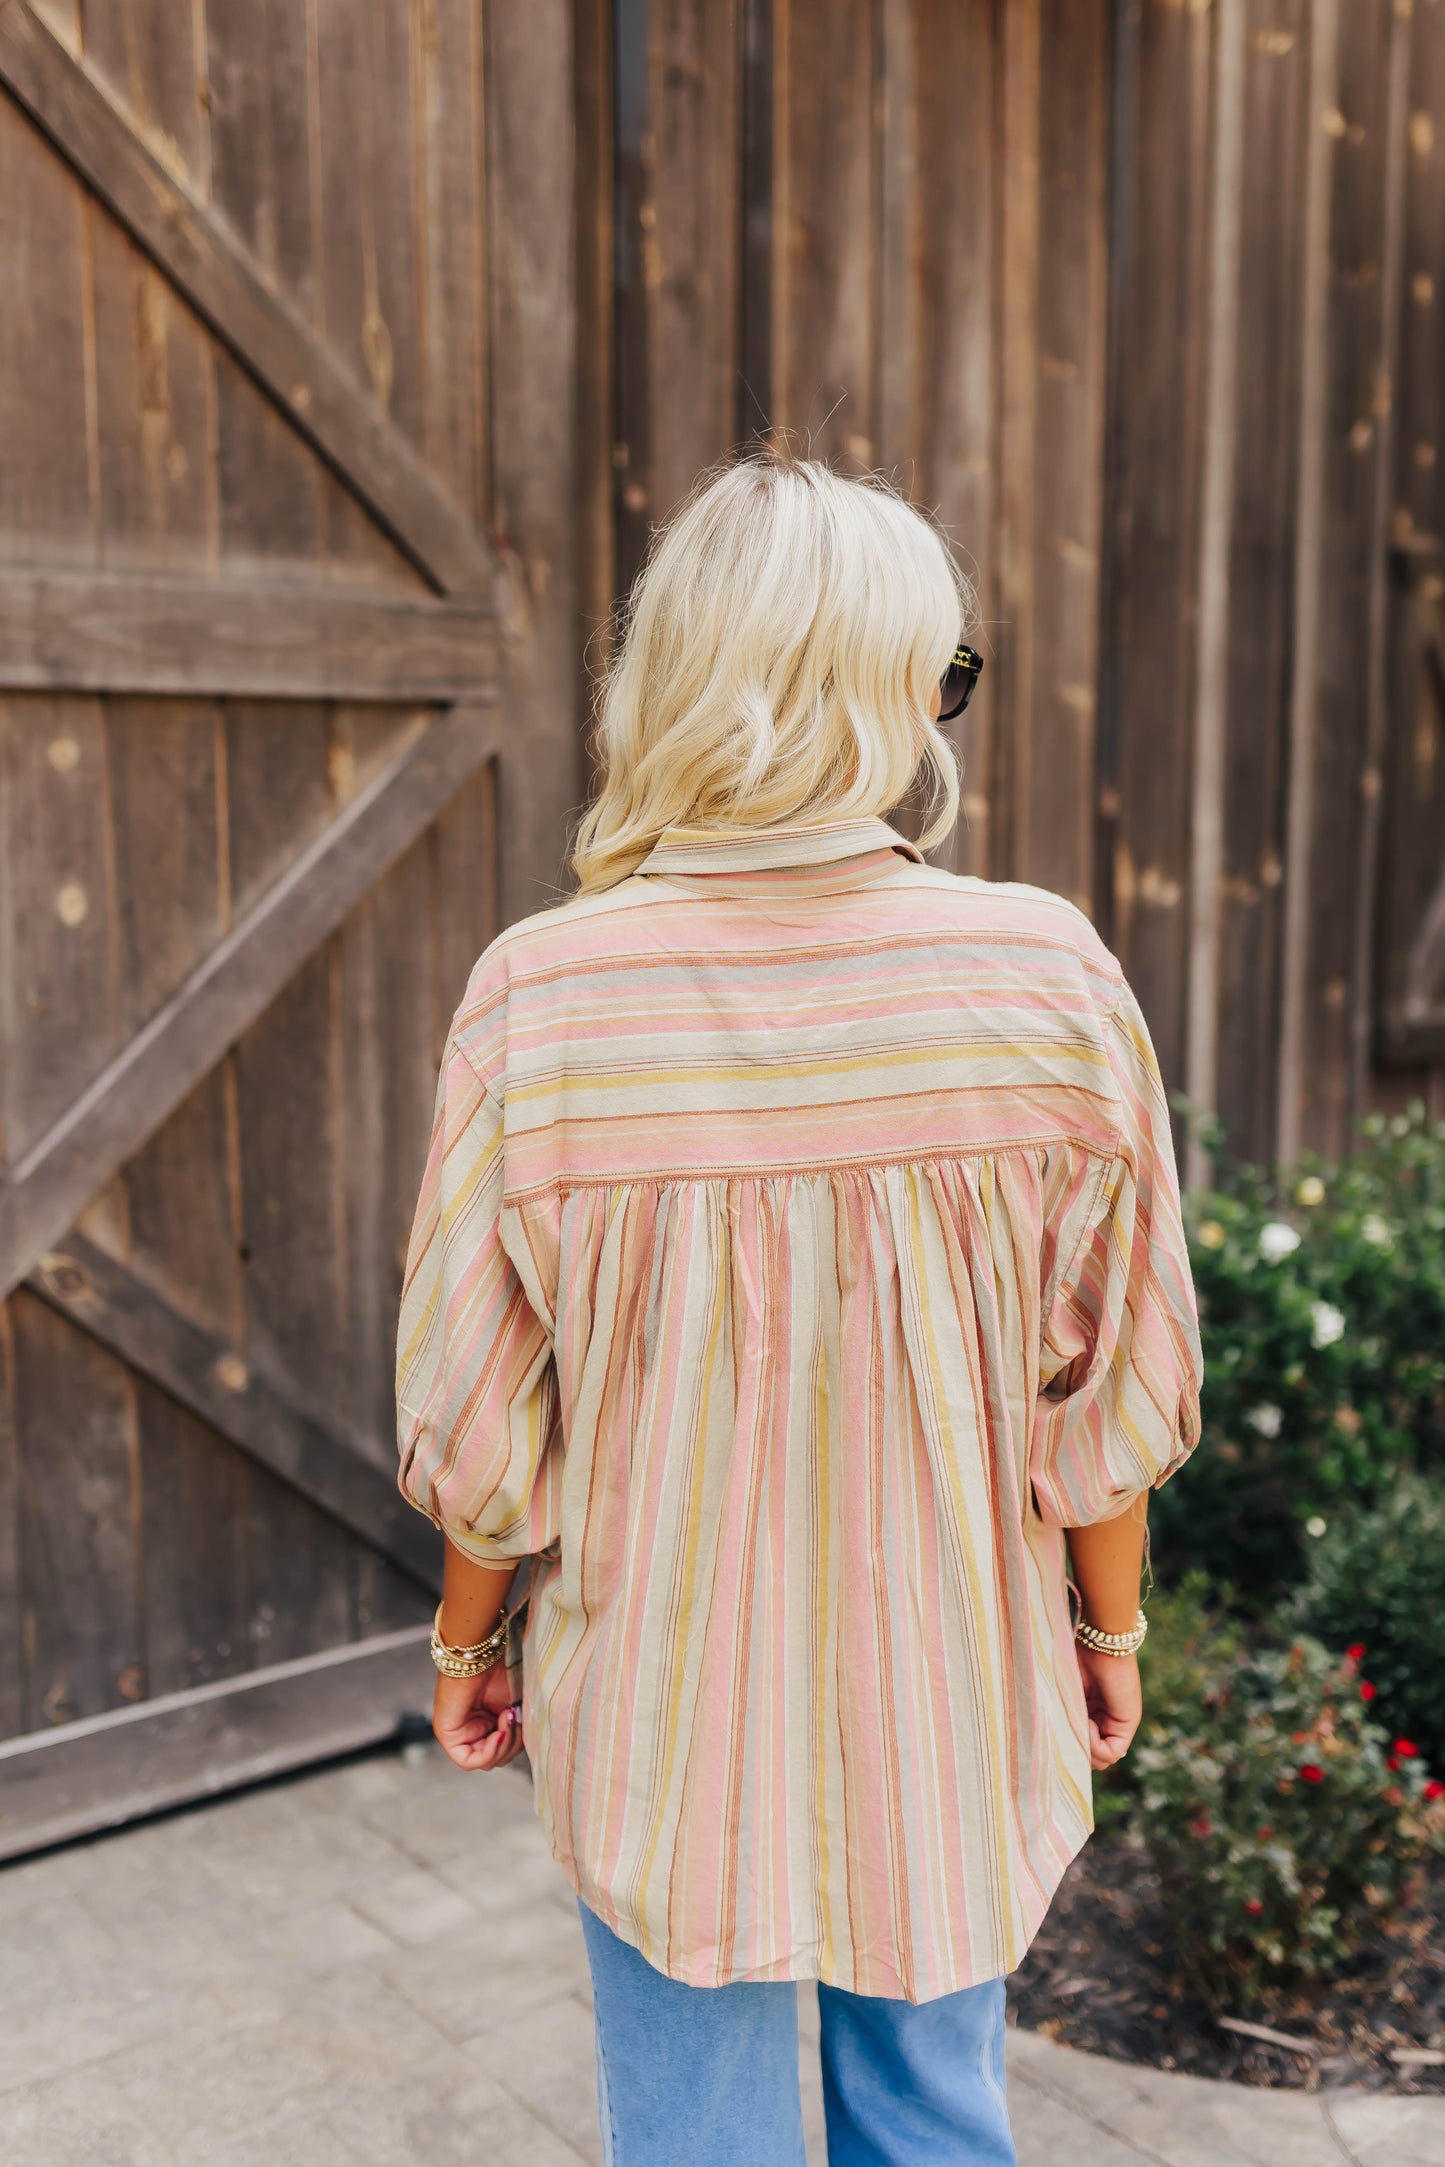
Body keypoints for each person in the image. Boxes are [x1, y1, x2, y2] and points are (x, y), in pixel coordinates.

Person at [395, 455, 1203, 2165]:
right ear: (894, 691)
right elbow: (1108, 1402)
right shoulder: (1046, 976)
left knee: (696, 2137)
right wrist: (1106, 1634)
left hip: (665, 1713)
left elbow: (484, 1427)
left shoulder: (541, 994)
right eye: (946, 672)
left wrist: (471, 1645)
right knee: (932, 2123)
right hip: (953, 1694)